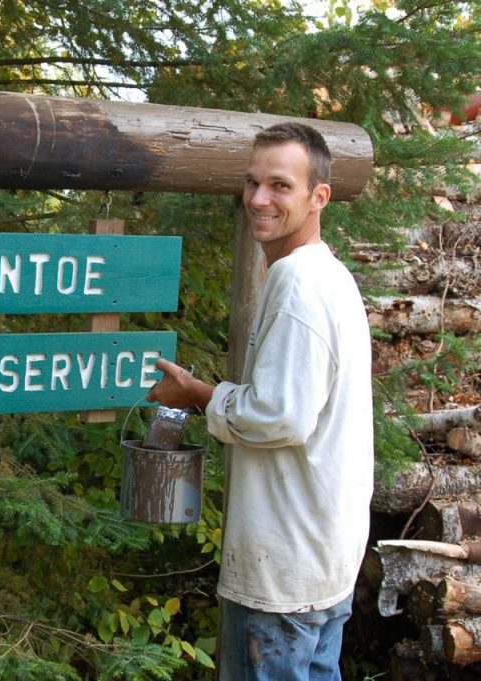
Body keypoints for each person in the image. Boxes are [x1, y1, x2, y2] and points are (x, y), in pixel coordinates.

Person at [146, 122, 374, 681]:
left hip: (284, 571)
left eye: (280, 185)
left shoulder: (298, 280)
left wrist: (197, 395)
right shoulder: (330, 275)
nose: (259, 199)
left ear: (319, 196)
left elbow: (282, 415)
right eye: (252, 184)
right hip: (323, 557)